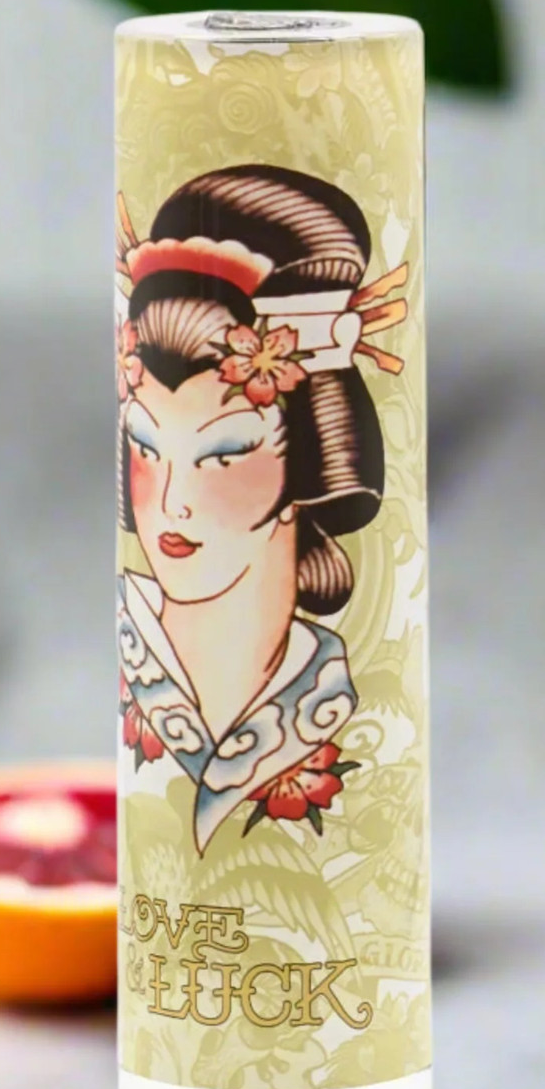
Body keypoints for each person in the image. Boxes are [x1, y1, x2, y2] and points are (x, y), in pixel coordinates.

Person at [115, 164, 407, 850]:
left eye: (223, 453)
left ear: (307, 461)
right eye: (145, 446)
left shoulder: (337, 693)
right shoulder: (135, 648)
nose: (174, 503)